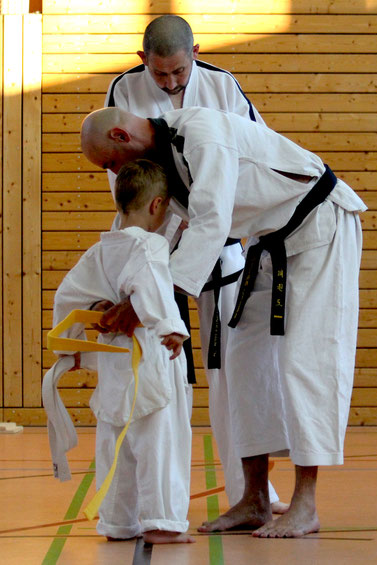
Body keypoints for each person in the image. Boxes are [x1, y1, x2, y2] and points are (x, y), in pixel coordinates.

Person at [80, 105, 367, 538]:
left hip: (321, 226)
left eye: (109, 162)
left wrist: (146, 306)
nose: (114, 171)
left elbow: (211, 222)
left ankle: (305, 505)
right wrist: (119, 294)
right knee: (243, 363)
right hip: (270, 241)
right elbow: (152, 234)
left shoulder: (201, 135)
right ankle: (255, 499)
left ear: (121, 137)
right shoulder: (161, 164)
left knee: (305, 361)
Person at [104, 14, 287, 514]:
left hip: (224, 243)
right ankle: (160, 499)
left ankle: (253, 493)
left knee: (232, 371)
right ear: (143, 61)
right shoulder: (123, 90)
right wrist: (161, 234)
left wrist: (225, 220)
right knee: (165, 369)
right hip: (155, 244)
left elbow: (259, 155)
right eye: (160, 74)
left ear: (195, 53)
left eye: (179, 72)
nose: (171, 83)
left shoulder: (224, 87)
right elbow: (121, 178)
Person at [53, 159, 194, 544]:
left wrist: (72, 342)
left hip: (114, 360)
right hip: (149, 355)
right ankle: (162, 522)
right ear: (157, 206)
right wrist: (171, 327)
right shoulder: (149, 245)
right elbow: (151, 285)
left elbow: (68, 295)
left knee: (115, 440)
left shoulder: (101, 250)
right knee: (160, 439)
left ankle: (117, 522)